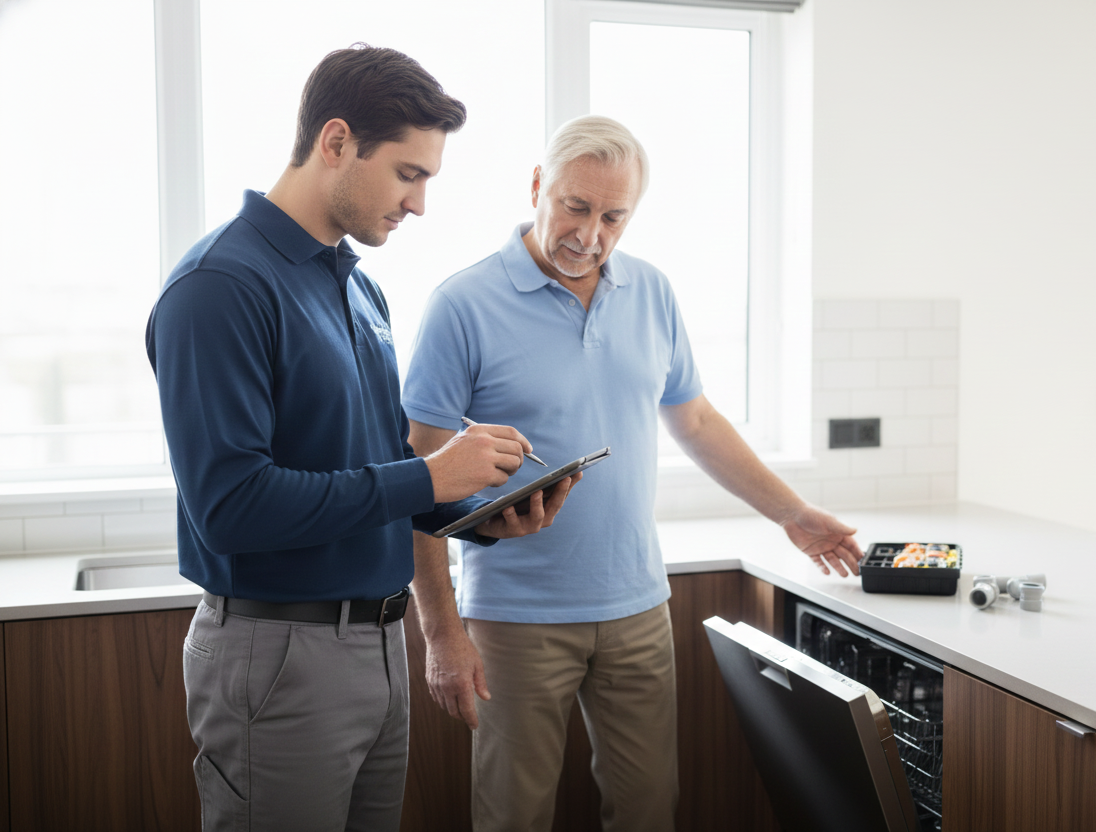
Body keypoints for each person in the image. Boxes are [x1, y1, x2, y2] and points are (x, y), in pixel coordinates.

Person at [145, 45, 577, 832]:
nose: (418, 205)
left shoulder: (357, 285)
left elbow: (374, 472)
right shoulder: (219, 288)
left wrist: (478, 515)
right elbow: (232, 507)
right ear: (336, 141)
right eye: (408, 174)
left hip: (378, 646)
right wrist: (430, 480)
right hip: (277, 654)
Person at [401, 115, 865, 832]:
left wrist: (793, 515)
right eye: (575, 207)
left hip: (638, 607)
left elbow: (698, 423)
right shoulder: (462, 304)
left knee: (649, 811)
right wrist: (440, 635)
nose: (591, 236)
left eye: (614, 216)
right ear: (536, 187)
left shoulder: (651, 292)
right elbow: (418, 478)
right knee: (512, 817)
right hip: (514, 618)